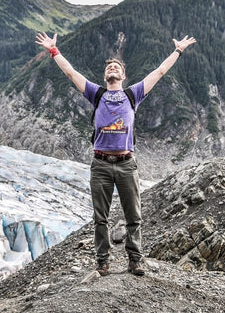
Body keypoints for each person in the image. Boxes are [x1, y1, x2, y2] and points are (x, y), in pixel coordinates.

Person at [35, 31, 196, 276]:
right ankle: (102, 262)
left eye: (116, 67)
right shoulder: (96, 94)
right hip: (100, 163)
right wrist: (53, 50)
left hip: (126, 163)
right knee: (101, 217)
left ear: (122, 75)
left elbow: (160, 72)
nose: (112, 68)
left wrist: (178, 50)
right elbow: (70, 72)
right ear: (105, 76)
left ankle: (135, 260)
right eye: (109, 67)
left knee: (133, 215)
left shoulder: (133, 94)